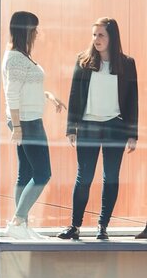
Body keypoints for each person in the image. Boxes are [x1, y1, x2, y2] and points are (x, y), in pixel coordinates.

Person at [58, 17, 138, 241]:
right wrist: (71, 128)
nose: (96, 39)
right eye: (94, 35)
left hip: (116, 126)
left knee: (111, 177)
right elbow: (74, 96)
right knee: (84, 177)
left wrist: (133, 134)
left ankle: (102, 226)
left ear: (112, 37)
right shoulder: (83, 61)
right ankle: (75, 226)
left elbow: (133, 100)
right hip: (88, 126)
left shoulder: (127, 63)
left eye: (101, 35)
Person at [2, 11, 66, 240]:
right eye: (35, 28)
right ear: (27, 30)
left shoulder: (19, 55)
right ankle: (18, 221)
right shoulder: (16, 58)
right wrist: (18, 127)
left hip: (26, 120)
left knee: (26, 172)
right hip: (27, 122)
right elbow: (12, 94)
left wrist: (48, 95)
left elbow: (26, 88)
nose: (38, 33)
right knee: (42, 173)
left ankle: (20, 225)